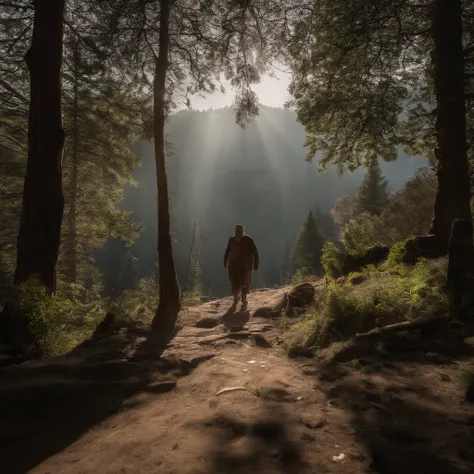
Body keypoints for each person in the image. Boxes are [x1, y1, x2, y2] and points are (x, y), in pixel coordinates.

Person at [224, 224, 259, 310]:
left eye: (239, 231)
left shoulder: (249, 240)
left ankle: (244, 300)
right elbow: (228, 251)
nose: (238, 232)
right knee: (234, 284)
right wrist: (225, 261)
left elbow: (255, 252)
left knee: (244, 284)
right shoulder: (231, 240)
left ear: (243, 231)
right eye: (237, 231)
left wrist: (256, 264)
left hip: (245, 267)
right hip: (234, 267)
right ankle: (236, 300)